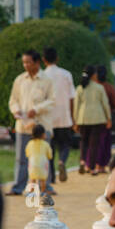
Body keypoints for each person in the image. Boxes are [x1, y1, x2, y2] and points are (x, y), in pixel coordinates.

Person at [6, 49, 53, 195]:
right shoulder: (20, 80)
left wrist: (37, 109)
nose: (25, 65)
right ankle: (18, 187)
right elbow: (13, 100)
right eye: (24, 62)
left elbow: (52, 101)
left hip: (41, 126)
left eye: (28, 62)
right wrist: (16, 111)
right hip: (23, 126)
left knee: (43, 158)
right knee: (21, 158)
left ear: (37, 62)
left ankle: (45, 187)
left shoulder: (47, 80)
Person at [41, 47, 77, 183]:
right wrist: (73, 118)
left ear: (43, 60)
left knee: (49, 148)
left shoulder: (42, 76)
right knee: (65, 144)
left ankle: (51, 177)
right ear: (57, 58)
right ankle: (62, 161)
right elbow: (71, 97)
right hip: (64, 116)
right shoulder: (66, 74)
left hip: (48, 118)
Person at [75, 64, 112, 175]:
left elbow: (76, 106)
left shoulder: (80, 88)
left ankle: (82, 161)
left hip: (82, 119)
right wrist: (108, 118)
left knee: (84, 141)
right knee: (94, 144)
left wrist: (76, 121)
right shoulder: (99, 88)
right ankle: (90, 167)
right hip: (97, 119)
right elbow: (105, 104)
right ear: (93, 75)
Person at [94, 67, 115, 172]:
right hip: (106, 118)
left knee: (94, 142)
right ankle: (102, 165)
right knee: (104, 142)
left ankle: (93, 164)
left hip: (91, 119)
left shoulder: (92, 87)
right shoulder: (109, 87)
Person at [24, 124, 54, 203]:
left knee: (32, 178)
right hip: (43, 163)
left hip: (33, 162)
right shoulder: (45, 144)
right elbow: (50, 155)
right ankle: (42, 192)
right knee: (43, 179)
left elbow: (27, 153)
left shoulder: (30, 143)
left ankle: (31, 192)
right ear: (43, 134)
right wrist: (49, 156)